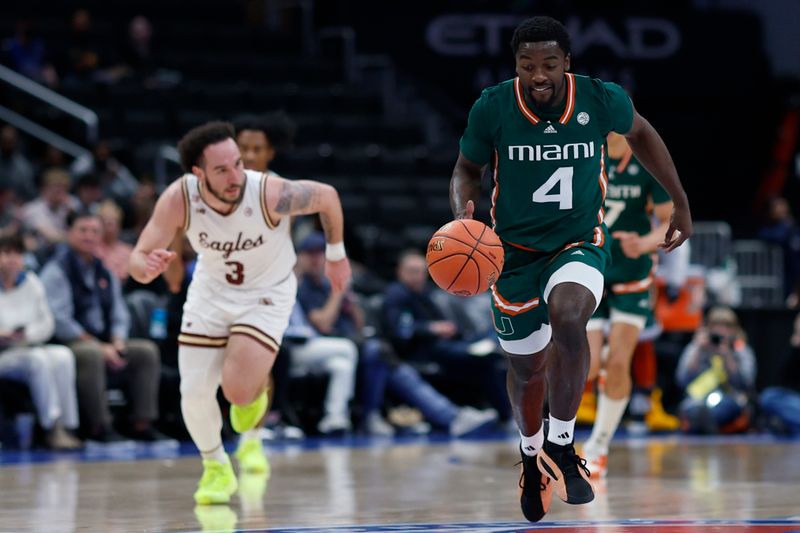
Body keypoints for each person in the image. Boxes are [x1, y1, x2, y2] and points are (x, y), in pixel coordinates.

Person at [448, 16, 692, 521]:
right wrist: (462, 215)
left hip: (579, 242)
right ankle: (531, 454)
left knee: (569, 315)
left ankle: (563, 445)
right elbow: (466, 169)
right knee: (527, 368)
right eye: (526, 64)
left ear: (567, 63)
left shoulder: (600, 99)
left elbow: (642, 133)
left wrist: (679, 200)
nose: (538, 74)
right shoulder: (492, 106)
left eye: (548, 64)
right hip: (511, 253)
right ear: (515, 65)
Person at [129, 121, 351, 505]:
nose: (236, 175)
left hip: (265, 294)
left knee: (237, 390)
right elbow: (138, 254)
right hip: (211, 294)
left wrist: (336, 255)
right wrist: (145, 268)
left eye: (237, 163)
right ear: (198, 174)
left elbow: (328, 196)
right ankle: (215, 467)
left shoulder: (267, 191)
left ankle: (253, 399)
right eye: (222, 169)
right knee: (194, 392)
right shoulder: (180, 197)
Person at [581, 131, 674, 478]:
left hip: (633, 276)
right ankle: (599, 364)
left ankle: (598, 447)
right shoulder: (586, 156)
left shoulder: (647, 163)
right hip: (593, 270)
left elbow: (668, 222)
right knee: (588, 368)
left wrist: (646, 242)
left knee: (619, 364)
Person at [40, 210, 163, 444]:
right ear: (69, 233)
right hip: (69, 343)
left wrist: (117, 340)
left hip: (104, 340)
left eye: (95, 231)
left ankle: (141, 423)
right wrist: (99, 345)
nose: (89, 236)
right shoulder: (56, 270)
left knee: (144, 351)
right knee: (92, 354)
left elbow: (119, 312)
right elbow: (60, 320)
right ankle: (99, 427)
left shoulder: (103, 270)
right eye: (83, 230)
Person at [0, 233, 82, 450]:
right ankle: (51, 426)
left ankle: (69, 425)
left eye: (17, 253)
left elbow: (47, 325)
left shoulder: (32, 283)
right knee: (38, 360)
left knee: (63, 356)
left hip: (29, 345)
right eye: (6, 253)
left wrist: (25, 335)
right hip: (4, 354)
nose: (12, 259)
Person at [675, 306, 756, 434]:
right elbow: (682, 381)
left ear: (734, 330)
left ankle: (705, 422)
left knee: (724, 406)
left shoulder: (741, 350)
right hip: (698, 399)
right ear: (708, 328)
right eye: (716, 325)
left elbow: (745, 384)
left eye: (726, 326)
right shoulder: (697, 347)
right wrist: (698, 350)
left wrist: (727, 356)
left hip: (729, 399)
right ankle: (703, 421)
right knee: (693, 407)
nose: (721, 330)